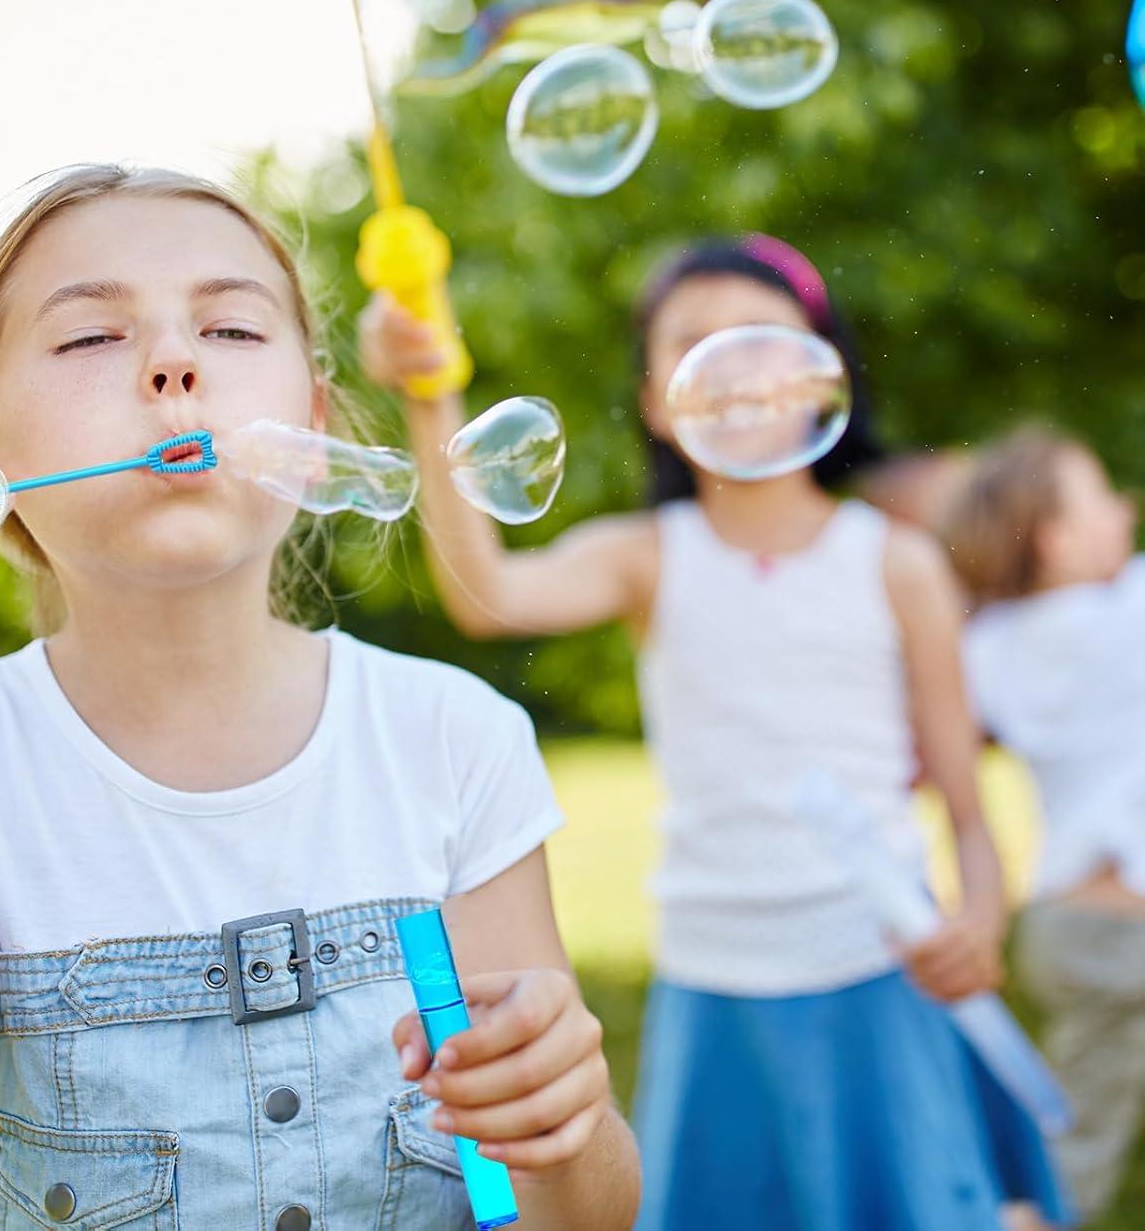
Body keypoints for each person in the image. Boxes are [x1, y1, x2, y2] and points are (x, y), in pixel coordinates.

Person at [0, 165, 641, 1229]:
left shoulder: (454, 740)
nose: (175, 362)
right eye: (92, 337)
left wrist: (565, 1127)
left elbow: (551, 1212)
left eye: (232, 332)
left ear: (315, 419)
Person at [361, 232, 1070, 1229]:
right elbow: (490, 594)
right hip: (716, 977)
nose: (733, 367)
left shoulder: (897, 562)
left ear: (825, 377)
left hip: (877, 963)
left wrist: (982, 918)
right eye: (697, 343)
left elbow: (966, 800)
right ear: (659, 402)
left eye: (761, 340)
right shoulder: (652, 556)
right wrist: (428, 394)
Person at [943, 424, 1145, 1225]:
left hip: (1063, 920)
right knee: (1071, 1165)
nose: (1126, 510)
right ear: (1059, 542)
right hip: (1123, 927)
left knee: (1075, 1129)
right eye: (1103, 499)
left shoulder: (987, 643)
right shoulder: (1130, 613)